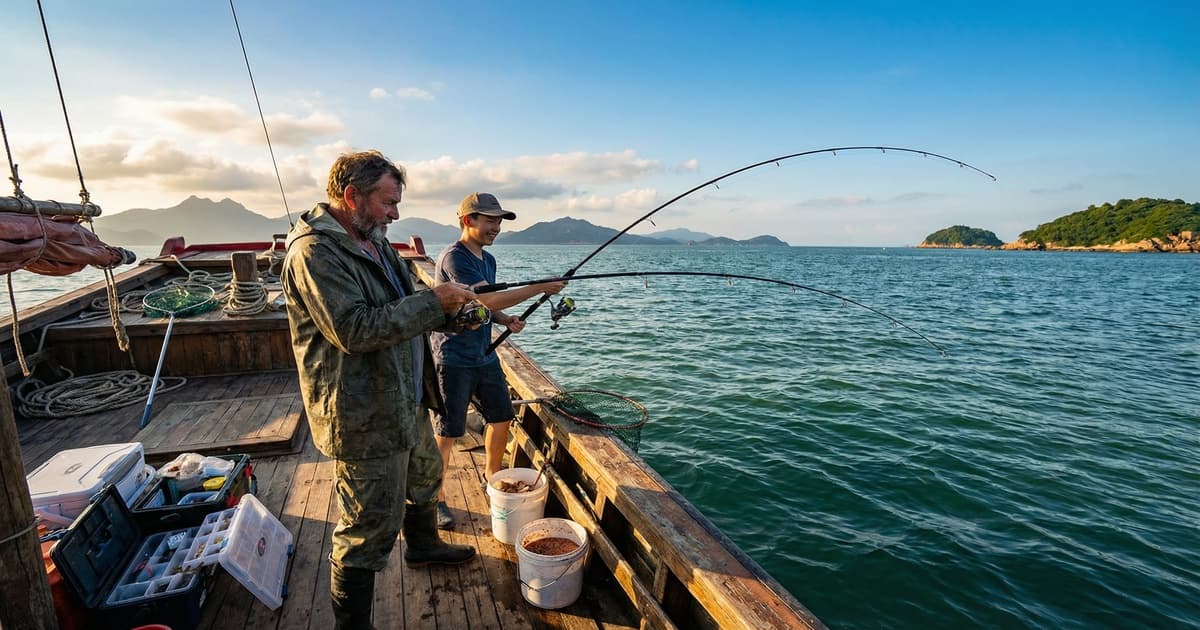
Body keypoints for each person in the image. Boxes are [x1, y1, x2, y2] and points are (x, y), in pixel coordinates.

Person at [281, 150, 480, 630]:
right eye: (389, 203)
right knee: (366, 527)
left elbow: (405, 304)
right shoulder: (314, 252)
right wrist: (435, 302)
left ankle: (424, 544)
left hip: (405, 396)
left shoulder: (375, 242)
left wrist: (450, 309)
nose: (395, 213)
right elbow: (353, 330)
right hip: (362, 412)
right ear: (352, 197)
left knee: (424, 476)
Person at [429, 192, 566, 529]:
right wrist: (538, 288)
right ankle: (436, 498)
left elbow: (485, 305)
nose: (496, 227)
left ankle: (492, 476)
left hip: (483, 353)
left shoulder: (487, 259)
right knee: (448, 433)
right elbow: (485, 297)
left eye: (499, 221)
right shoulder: (454, 258)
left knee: (502, 417)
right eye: (489, 220)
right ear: (468, 221)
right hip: (454, 356)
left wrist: (504, 320)